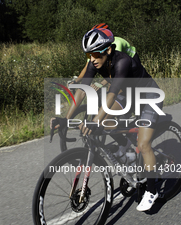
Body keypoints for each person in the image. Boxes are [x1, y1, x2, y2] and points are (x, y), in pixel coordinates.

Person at [67, 28, 163, 211]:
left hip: (149, 97)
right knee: (105, 123)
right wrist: (65, 119)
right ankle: (128, 151)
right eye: (89, 55)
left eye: (96, 53)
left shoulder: (122, 61)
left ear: (108, 50)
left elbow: (111, 95)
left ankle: (151, 190)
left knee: (144, 144)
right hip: (128, 96)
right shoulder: (94, 63)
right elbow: (81, 91)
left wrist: (94, 120)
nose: (92, 59)